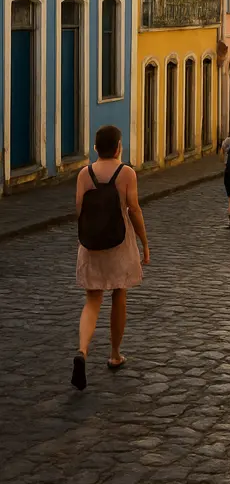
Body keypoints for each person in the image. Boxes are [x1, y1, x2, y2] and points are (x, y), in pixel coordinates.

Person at [72, 125, 150, 391]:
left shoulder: (84, 174)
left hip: (91, 243)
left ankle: (82, 350)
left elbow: (79, 209)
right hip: (119, 242)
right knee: (119, 293)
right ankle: (115, 353)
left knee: (92, 300)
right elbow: (134, 209)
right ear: (118, 147)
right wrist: (144, 243)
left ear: (96, 148)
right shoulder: (126, 173)